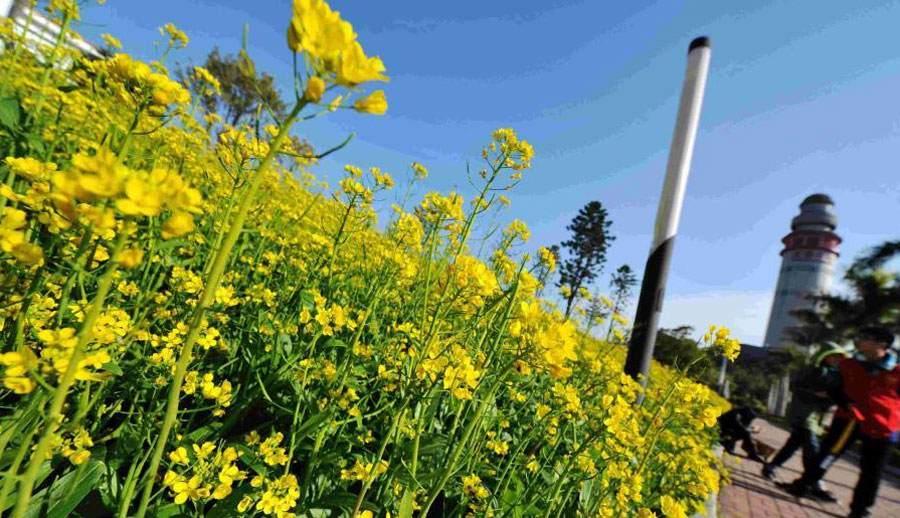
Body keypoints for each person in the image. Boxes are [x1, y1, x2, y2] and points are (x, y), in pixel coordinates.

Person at [780, 327, 900, 518]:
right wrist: (845, 403)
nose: (859, 340)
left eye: (865, 338)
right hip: (848, 419)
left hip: (884, 426)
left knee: (872, 470)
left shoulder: (897, 370)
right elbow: (833, 388)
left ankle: (860, 510)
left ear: (882, 343)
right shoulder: (848, 365)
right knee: (826, 454)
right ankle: (803, 486)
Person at [761, 341, 849, 501]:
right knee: (812, 448)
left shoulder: (836, 375)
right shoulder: (813, 370)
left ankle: (771, 467)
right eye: (834, 356)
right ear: (825, 355)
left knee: (793, 444)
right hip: (803, 414)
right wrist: (816, 394)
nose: (837, 359)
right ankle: (815, 483)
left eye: (839, 357)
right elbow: (795, 387)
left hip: (816, 417)